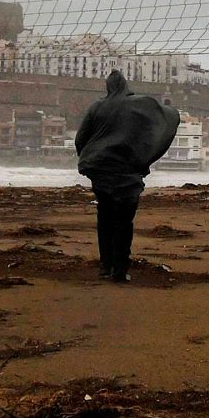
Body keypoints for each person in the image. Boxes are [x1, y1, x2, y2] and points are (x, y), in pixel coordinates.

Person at [75, 71, 179, 282]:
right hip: (128, 175)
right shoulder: (138, 105)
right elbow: (164, 114)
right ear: (125, 85)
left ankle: (106, 266)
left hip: (101, 172)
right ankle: (120, 270)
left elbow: (80, 139)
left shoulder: (97, 107)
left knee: (104, 218)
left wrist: (91, 157)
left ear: (108, 87)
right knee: (124, 222)